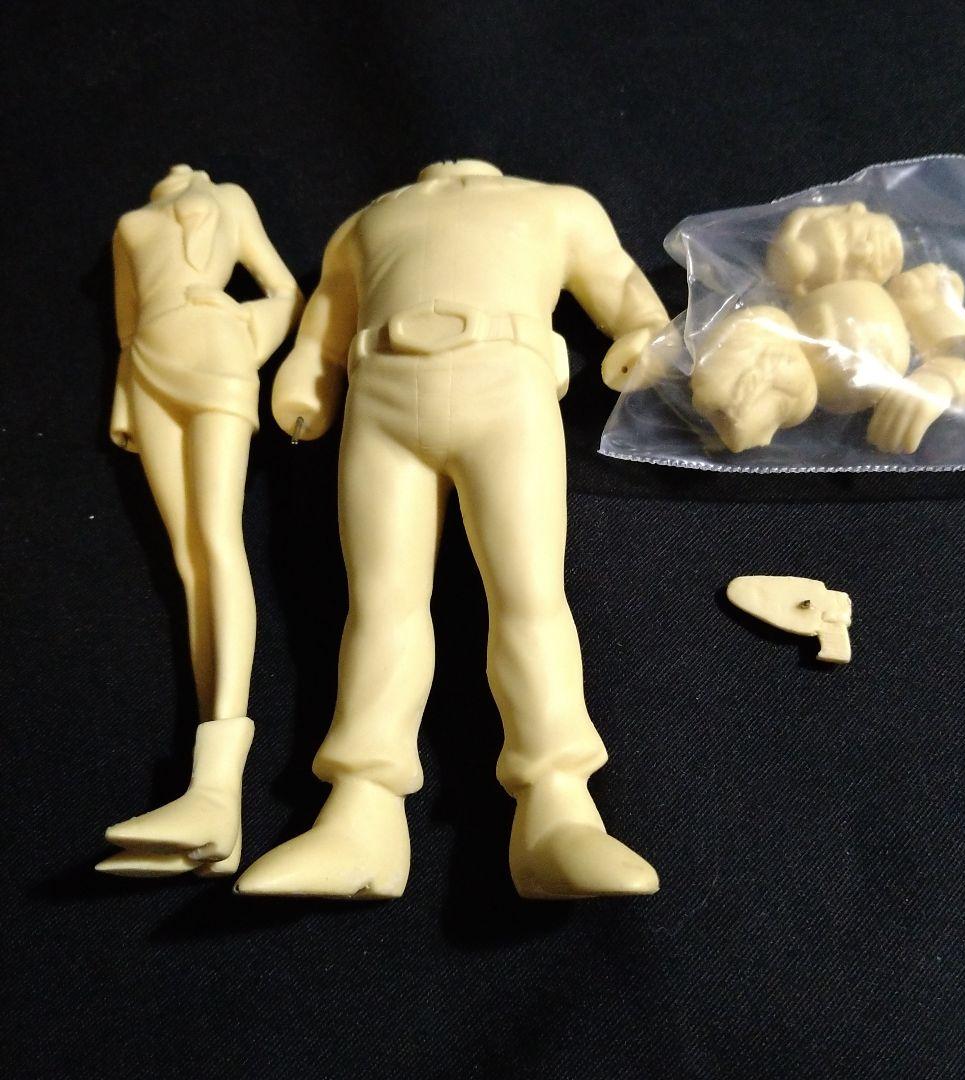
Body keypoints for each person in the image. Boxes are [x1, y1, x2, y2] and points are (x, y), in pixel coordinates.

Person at [236, 160, 667, 899]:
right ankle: (361, 811)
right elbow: (330, 305)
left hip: (505, 387)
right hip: (382, 393)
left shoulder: (555, 204)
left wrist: (646, 333)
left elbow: (618, 279)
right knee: (381, 603)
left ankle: (558, 805)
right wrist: (310, 364)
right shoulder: (368, 220)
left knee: (528, 594)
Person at [98, 165, 302, 878]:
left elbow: (283, 289)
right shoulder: (131, 226)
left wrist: (246, 333)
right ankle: (215, 812)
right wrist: (124, 399)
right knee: (188, 561)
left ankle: (215, 786)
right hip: (150, 363)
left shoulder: (230, 199)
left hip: (217, 350)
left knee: (218, 540)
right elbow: (127, 329)